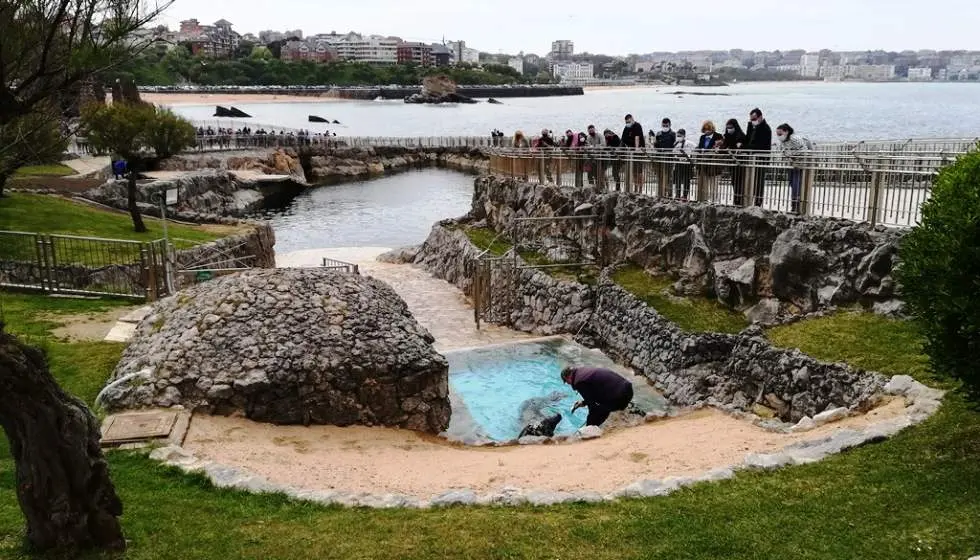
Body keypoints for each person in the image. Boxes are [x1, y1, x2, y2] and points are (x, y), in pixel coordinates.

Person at [561, 366, 634, 427]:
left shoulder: (578, 381)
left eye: (566, 381)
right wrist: (583, 403)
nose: (568, 384)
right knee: (601, 405)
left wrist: (589, 424)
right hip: (627, 390)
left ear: (568, 377)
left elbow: (592, 405)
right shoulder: (583, 371)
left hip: (618, 397)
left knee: (593, 420)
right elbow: (595, 395)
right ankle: (634, 410)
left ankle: (589, 440)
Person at [775, 123, 811, 214]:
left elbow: (804, 150)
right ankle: (794, 204)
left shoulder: (795, 138)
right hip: (791, 164)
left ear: (786, 132)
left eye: (780, 134)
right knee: (792, 183)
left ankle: (797, 204)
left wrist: (793, 155)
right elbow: (782, 151)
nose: (779, 136)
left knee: (796, 184)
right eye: (777, 134)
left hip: (799, 164)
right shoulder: (783, 142)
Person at [745, 108, 773, 207]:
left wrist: (747, 147)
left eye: (754, 118)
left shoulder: (766, 128)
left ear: (760, 117)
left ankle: (758, 202)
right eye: (751, 119)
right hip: (751, 158)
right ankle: (749, 200)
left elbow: (762, 145)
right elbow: (747, 139)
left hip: (761, 159)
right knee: (749, 180)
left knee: (759, 181)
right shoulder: (750, 126)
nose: (753, 121)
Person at [696, 120, 724, 202]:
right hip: (703, 164)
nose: (706, 131)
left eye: (708, 129)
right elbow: (699, 148)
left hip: (713, 164)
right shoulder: (702, 137)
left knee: (714, 184)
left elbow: (720, 149)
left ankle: (714, 200)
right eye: (705, 129)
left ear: (712, 129)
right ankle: (704, 199)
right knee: (704, 184)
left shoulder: (718, 136)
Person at [722, 118, 748, 206]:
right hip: (732, 162)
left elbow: (745, 146)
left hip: (740, 162)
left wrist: (741, 146)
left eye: (731, 127)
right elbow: (724, 146)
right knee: (734, 181)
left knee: (740, 181)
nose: (729, 129)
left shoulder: (741, 135)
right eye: (727, 127)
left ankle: (739, 199)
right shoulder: (727, 136)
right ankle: (736, 198)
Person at [621, 114, 646, 193]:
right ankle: (635, 187)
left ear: (632, 119)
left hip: (637, 152)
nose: (627, 123)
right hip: (630, 153)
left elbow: (637, 138)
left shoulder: (637, 126)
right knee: (633, 172)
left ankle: (640, 189)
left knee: (639, 171)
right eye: (626, 122)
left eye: (628, 121)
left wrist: (637, 149)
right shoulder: (626, 128)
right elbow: (623, 139)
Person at [654, 118, 677, 198]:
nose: (665, 127)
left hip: (669, 158)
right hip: (659, 158)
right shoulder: (658, 134)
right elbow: (656, 146)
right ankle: (660, 193)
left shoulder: (673, 134)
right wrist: (653, 141)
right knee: (660, 176)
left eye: (666, 125)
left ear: (670, 125)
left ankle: (669, 194)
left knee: (669, 176)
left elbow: (674, 146)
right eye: (663, 125)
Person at [673, 129, 695, 200]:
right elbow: (673, 153)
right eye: (677, 135)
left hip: (686, 164)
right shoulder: (675, 143)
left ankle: (685, 196)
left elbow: (695, 149)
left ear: (684, 136)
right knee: (678, 180)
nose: (678, 137)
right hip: (678, 164)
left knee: (686, 180)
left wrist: (690, 156)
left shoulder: (689, 143)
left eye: (680, 136)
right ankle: (677, 195)